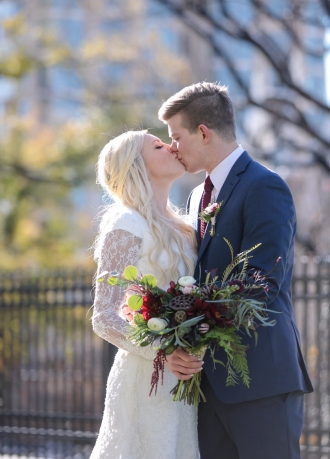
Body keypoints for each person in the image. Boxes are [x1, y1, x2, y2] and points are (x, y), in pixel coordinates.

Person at [159, 82, 312, 459]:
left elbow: (261, 282)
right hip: (208, 387)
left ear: (204, 133)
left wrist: (193, 330)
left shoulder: (265, 186)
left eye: (176, 136)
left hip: (261, 382)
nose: (173, 147)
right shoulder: (196, 197)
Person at [91, 129, 199, 459]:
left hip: (183, 386)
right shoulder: (126, 222)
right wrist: (164, 352)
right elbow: (104, 318)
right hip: (144, 380)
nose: (171, 146)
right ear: (136, 165)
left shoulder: (184, 228)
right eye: (157, 144)